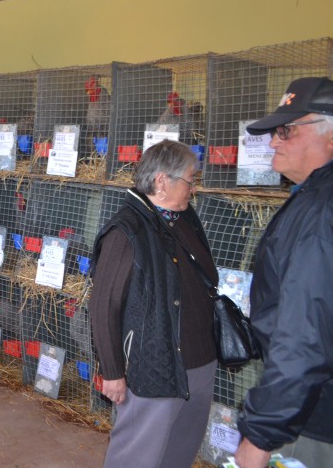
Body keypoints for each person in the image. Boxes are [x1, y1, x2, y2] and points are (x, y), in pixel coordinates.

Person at [89, 139, 218, 468]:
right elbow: (104, 306)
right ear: (162, 181)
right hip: (154, 369)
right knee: (137, 456)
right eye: (190, 180)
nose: (193, 188)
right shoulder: (127, 231)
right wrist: (113, 372)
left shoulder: (184, 220)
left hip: (198, 363)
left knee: (179, 452)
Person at [235, 77, 333, 468]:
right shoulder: (314, 199)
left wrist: (261, 434)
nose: (274, 142)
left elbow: (305, 332)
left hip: (310, 419)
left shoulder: (320, 212)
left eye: (286, 130)